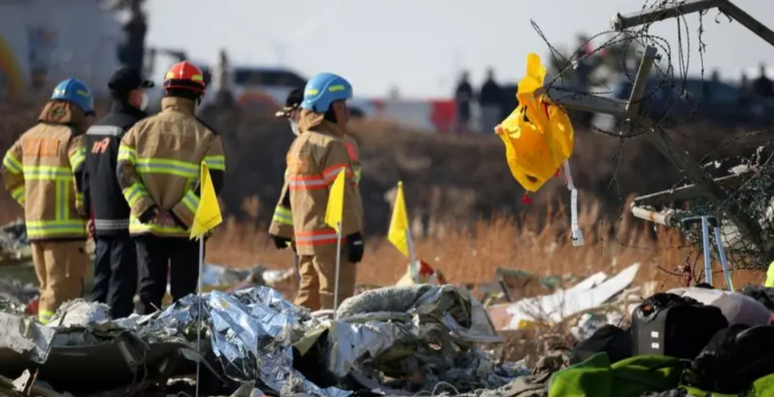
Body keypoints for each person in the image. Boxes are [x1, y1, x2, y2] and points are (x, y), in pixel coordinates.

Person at [116, 61, 226, 314]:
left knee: (148, 295)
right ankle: (180, 349)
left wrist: (148, 210)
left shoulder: (137, 131)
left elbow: (124, 173)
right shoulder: (208, 136)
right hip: (188, 230)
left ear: (167, 93)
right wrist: (178, 215)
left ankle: (146, 349)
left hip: (147, 227)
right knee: (185, 299)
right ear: (198, 95)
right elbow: (213, 183)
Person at [1, 78, 94, 324]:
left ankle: (44, 345)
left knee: (47, 290)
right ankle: (50, 349)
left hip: (36, 230)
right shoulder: (74, 138)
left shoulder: (29, 137)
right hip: (66, 233)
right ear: (79, 110)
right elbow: (82, 171)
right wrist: (83, 208)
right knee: (62, 294)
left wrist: (29, 201)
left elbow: (8, 169)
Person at [286, 72, 364, 310]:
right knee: (336, 304)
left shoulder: (299, 143)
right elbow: (341, 196)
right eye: (342, 107)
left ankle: (297, 347)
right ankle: (330, 348)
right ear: (326, 108)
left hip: (306, 242)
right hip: (333, 242)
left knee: (307, 305)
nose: (347, 115)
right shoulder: (331, 146)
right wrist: (353, 235)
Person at [83, 67, 152, 319]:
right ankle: (110, 347)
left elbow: (85, 177)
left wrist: (88, 216)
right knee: (121, 293)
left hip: (100, 224)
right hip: (128, 224)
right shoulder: (135, 128)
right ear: (132, 94)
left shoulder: (93, 131)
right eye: (142, 90)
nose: (144, 96)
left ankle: (89, 338)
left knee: (99, 288)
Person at [479, 68, 503, 134]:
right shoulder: (485, 86)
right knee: (486, 123)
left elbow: (499, 97)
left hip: (493, 107)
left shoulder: (495, 86)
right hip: (486, 107)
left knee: (492, 123)